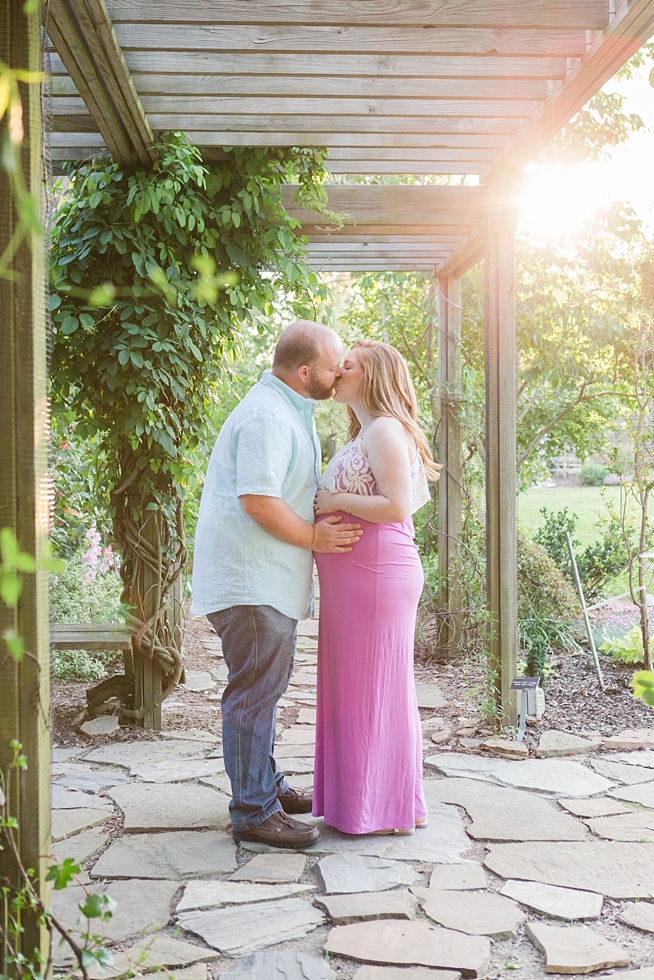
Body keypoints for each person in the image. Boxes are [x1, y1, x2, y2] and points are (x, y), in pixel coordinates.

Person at [191, 320, 362, 849]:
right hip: (251, 581)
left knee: (263, 690)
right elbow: (259, 500)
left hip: (264, 579)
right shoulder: (267, 416)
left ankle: (263, 787)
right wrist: (315, 537)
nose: (340, 374)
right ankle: (253, 812)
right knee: (254, 694)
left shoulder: (290, 408)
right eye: (334, 365)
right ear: (305, 370)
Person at [312, 339, 440, 835]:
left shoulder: (386, 429)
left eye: (349, 365)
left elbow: (396, 506)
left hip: (378, 575)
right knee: (363, 689)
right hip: (356, 580)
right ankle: (386, 802)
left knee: (375, 689)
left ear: (372, 376)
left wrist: (334, 498)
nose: (338, 370)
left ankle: (381, 808)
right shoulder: (364, 431)